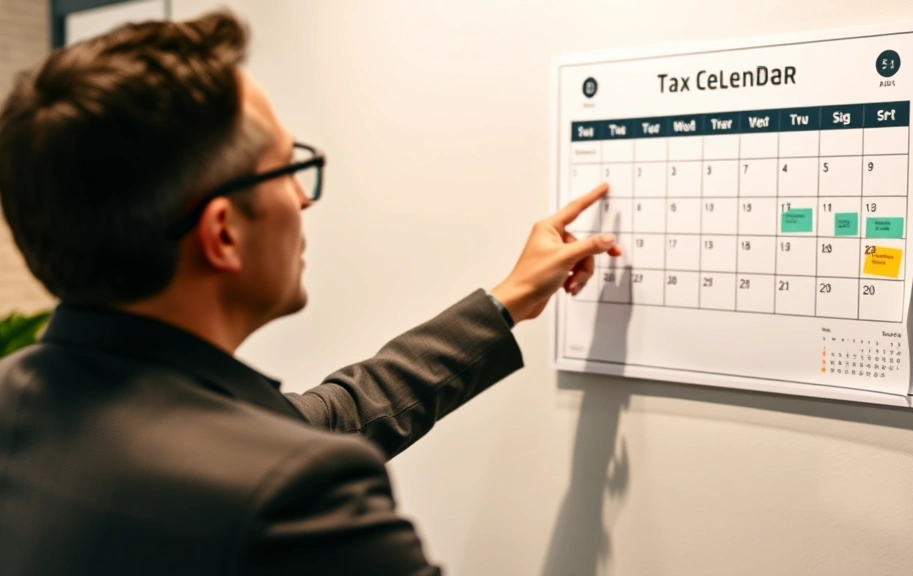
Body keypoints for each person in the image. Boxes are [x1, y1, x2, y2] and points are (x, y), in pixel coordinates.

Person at [0, 10, 620, 575]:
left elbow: (334, 415)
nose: (303, 197)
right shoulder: (293, 497)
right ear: (223, 232)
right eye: (288, 168)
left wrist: (504, 302)